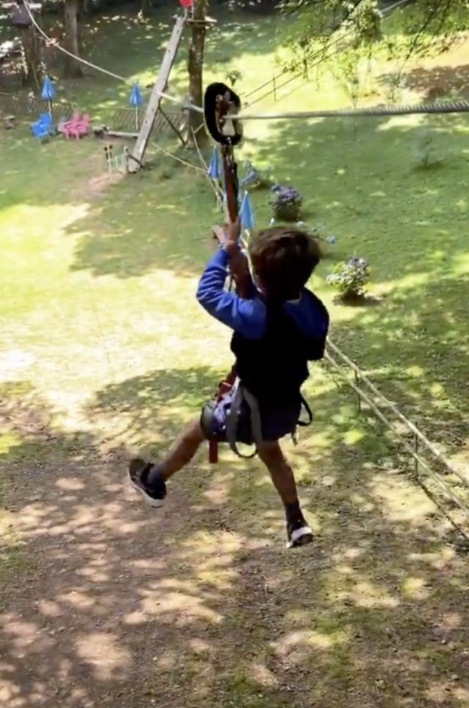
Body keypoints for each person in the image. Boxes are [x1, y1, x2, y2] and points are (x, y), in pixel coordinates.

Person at [128, 220, 330, 549]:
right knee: (273, 455)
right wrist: (246, 280)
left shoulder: (254, 315)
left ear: (265, 277)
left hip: (250, 408)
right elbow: (279, 313)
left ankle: (154, 481)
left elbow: (208, 294)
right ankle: (295, 520)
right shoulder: (313, 309)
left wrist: (225, 252)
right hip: (283, 406)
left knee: (195, 431)